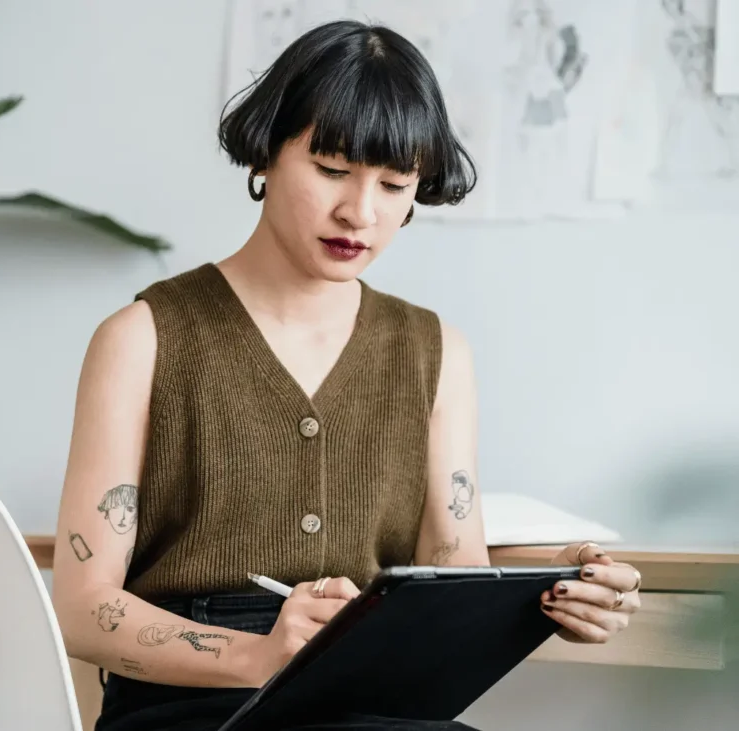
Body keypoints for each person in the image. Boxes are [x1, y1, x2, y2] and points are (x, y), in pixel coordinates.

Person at [51, 19, 643, 731]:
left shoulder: (435, 351)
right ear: (266, 154)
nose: (360, 212)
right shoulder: (143, 338)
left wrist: (560, 588)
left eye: (395, 185)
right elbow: (84, 609)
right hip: (185, 706)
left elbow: (451, 573)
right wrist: (257, 654)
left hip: (371, 699)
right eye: (332, 170)